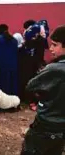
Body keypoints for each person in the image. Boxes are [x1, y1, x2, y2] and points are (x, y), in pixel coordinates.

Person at [21, 25, 65, 155]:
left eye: (55, 45)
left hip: (45, 126)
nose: (50, 48)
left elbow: (30, 87)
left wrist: (42, 94)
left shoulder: (54, 68)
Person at [23, 20, 48, 111]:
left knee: (35, 82)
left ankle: (34, 102)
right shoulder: (38, 38)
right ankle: (33, 101)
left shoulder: (38, 39)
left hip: (34, 63)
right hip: (36, 63)